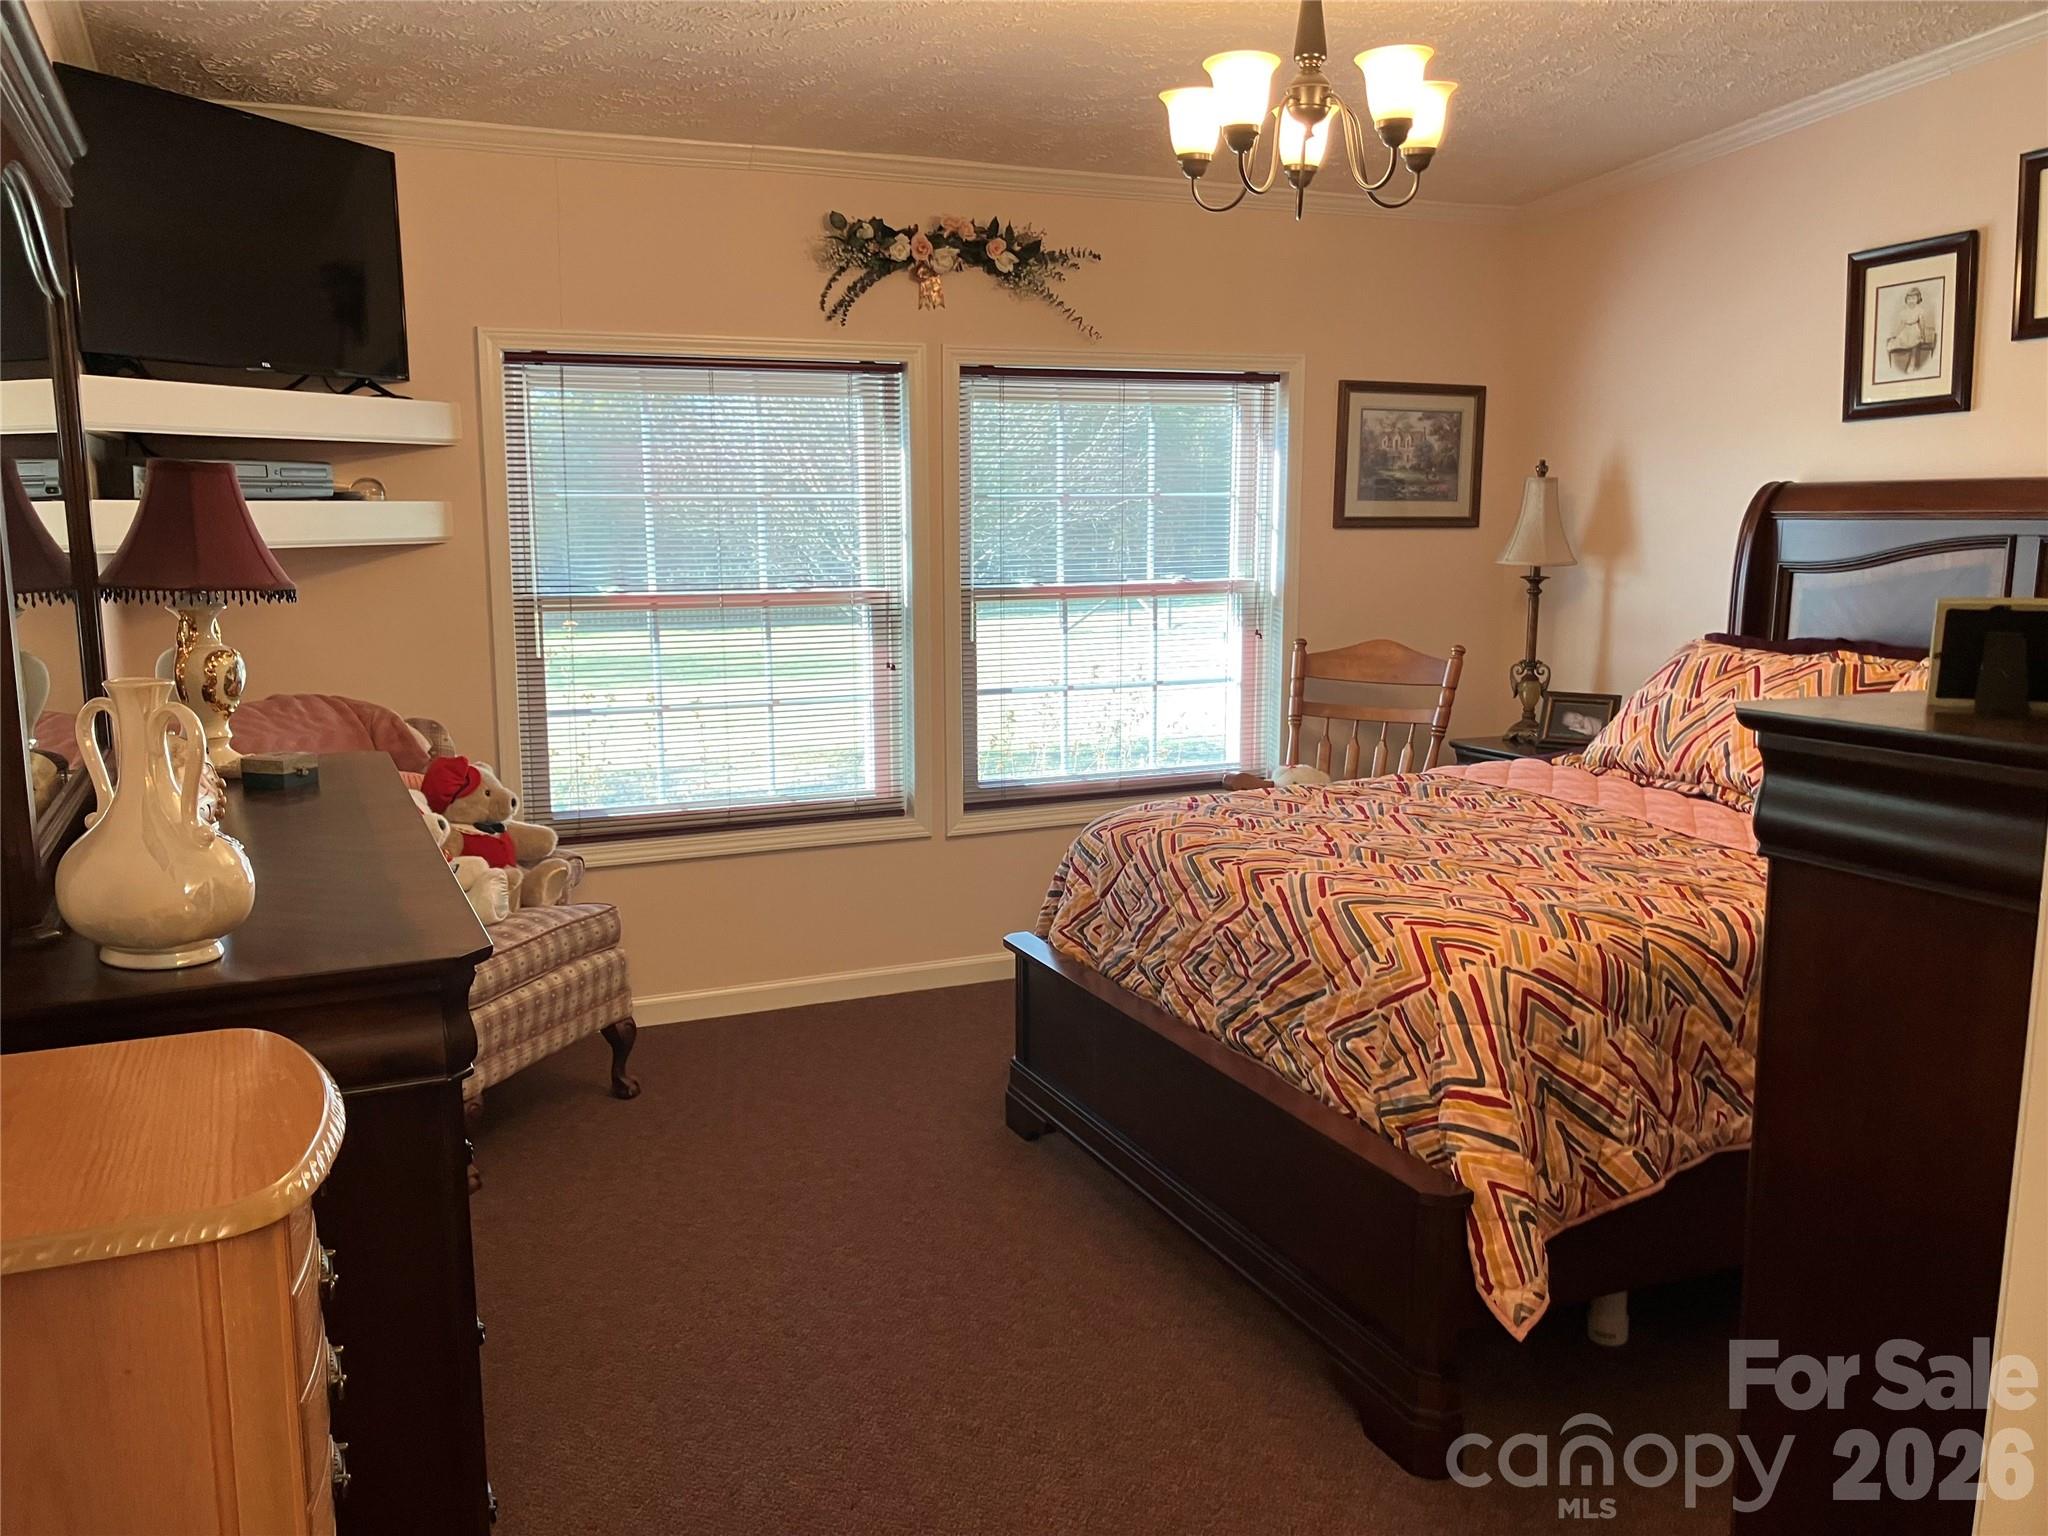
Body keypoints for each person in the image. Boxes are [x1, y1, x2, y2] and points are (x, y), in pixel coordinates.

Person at [1885, 285, 1938, 377]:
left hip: (1915, 330)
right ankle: (1896, 347)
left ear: (1918, 299)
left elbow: (1922, 324)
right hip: (1906, 330)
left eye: (1914, 298)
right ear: (1906, 299)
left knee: (1914, 342)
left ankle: (1912, 364)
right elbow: (1901, 324)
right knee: (1898, 341)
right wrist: (1897, 334)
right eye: (1909, 298)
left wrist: (1922, 334)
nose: (1911, 301)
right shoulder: (1904, 312)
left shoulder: (1919, 310)